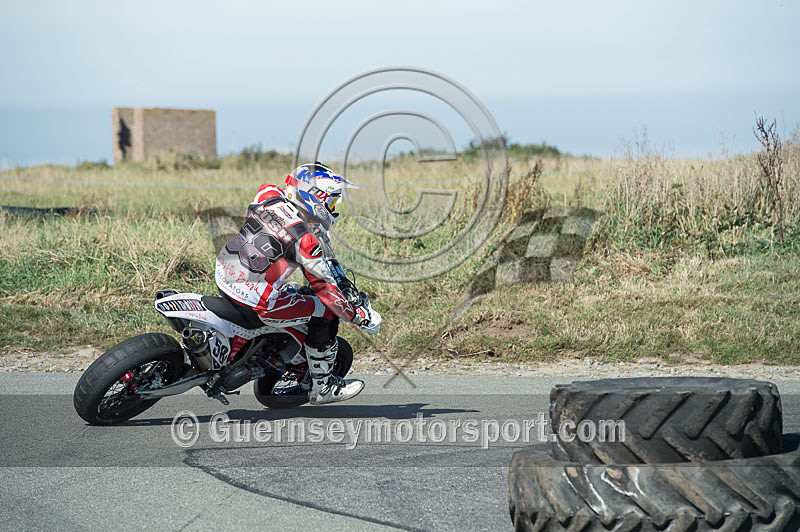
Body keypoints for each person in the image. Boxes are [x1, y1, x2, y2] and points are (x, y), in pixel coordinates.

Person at [214, 162, 381, 404]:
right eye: (332, 202)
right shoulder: (306, 241)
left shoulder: (267, 195)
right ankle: (323, 388)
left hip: (225, 272)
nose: (334, 210)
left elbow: (294, 233)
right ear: (315, 198)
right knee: (326, 312)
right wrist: (358, 316)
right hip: (256, 299)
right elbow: (326, 291)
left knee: (293, 291)